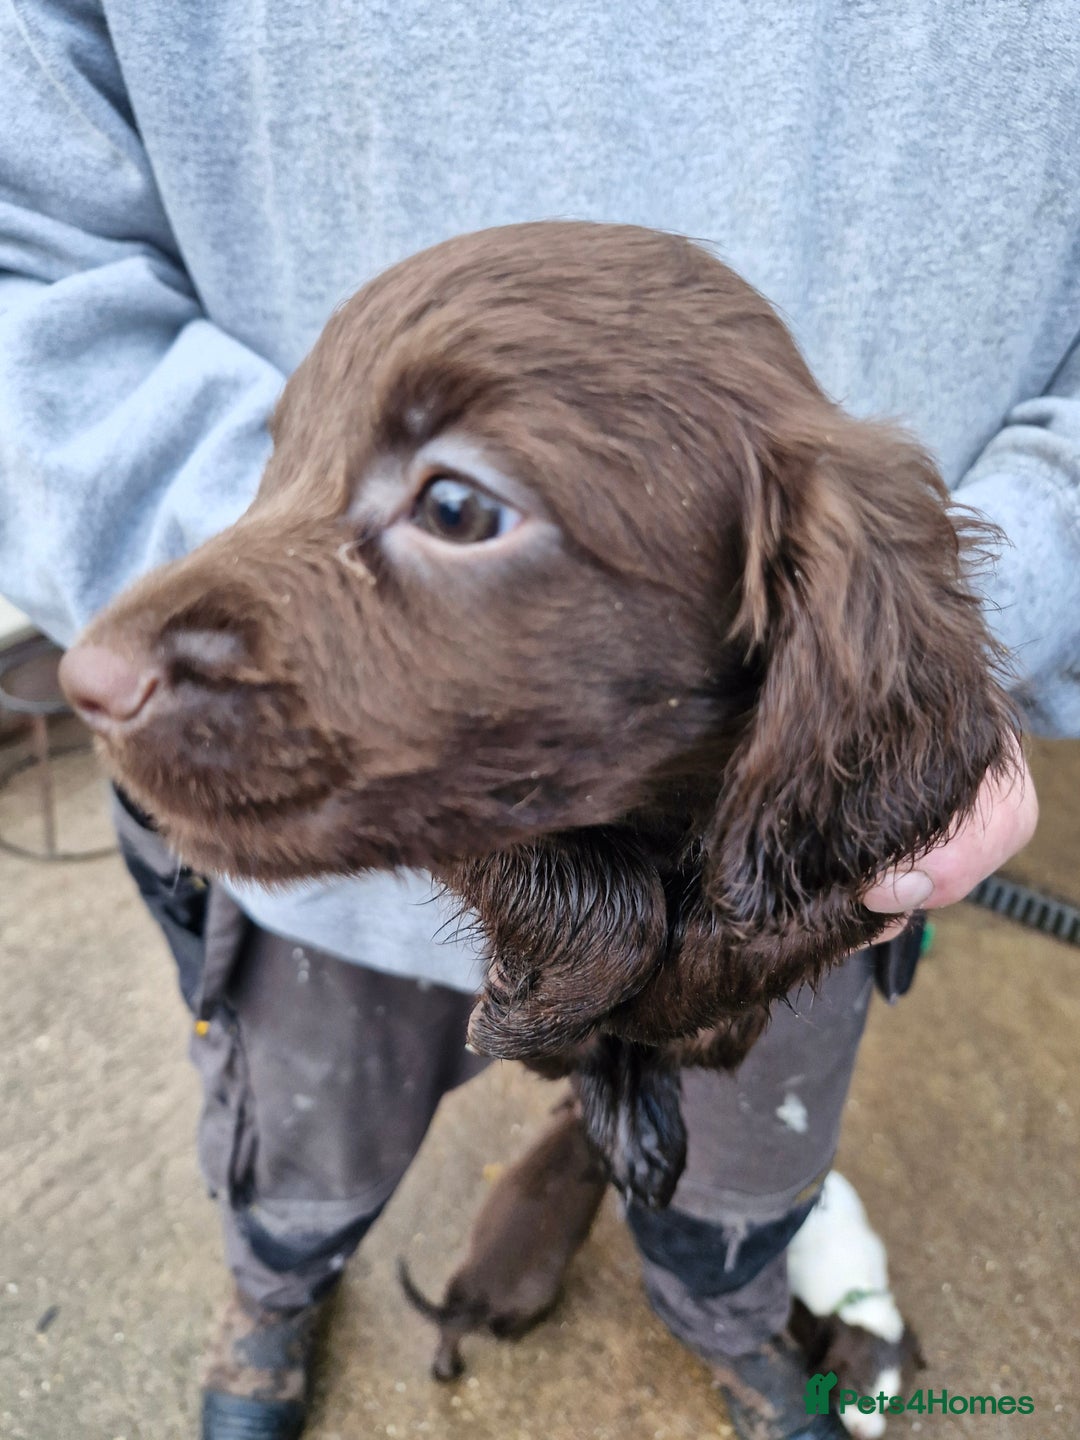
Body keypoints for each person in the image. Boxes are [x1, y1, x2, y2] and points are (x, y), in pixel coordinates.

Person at [0, 4, 1069, 1438]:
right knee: (304, 1136)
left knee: (746, 1174)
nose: (106, 665)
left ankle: (724, 1310)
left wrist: (1002, 605)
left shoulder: (838, 624)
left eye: (453, 506)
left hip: (775, 852)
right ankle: (276, 1282)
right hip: (350, 903)